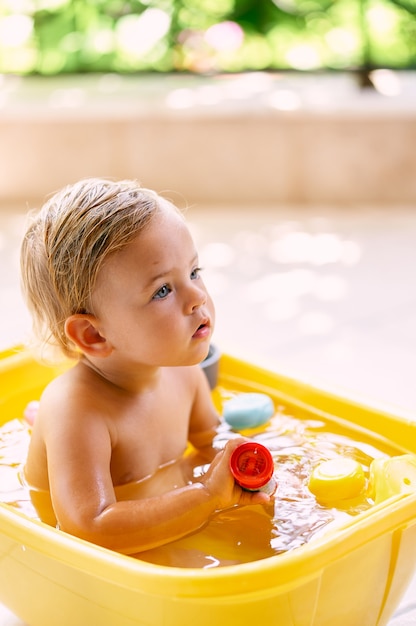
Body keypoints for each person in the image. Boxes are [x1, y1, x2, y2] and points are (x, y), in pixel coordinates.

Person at [21, 178, 271, 555]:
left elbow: (210, 441)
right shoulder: (77, 411)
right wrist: (205, 497)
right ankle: (44, 431)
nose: (197, 296)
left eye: (193, 272)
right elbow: (89, 528)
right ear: (93, 335)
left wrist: (241, 471)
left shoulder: (182, 370)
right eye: (162, 291)